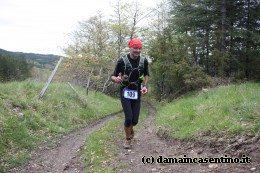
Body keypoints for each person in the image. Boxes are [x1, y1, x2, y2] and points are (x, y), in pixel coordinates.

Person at [111, 38, 149, 149]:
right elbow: (113, 76)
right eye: (135, 48)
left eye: (139, 48)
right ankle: (127, 140)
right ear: (130, 48)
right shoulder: (122, 61)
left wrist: (145, 86)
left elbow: (146, 74)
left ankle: (131, 128)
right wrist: (116, 79)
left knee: (135, 120)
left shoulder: (143, 60)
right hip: (125, 90)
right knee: (128, 118)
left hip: (137, 91)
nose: (137, 50)